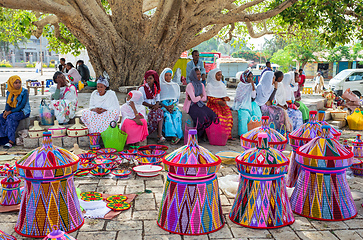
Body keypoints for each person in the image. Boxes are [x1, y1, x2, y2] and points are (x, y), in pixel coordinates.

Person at [183, 68, 217, 139]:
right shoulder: (190, 85)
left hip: (200, 105)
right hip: (192, 106)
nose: (199, 76)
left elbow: (204, 98)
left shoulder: (201, 85)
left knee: (212, 114)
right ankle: (197, 135)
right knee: (202, 116)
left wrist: (197, 97)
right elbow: (194, 100)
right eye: (197, 74)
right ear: (193, 75)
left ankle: (204, 133)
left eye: (200, 74)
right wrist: (199, 96)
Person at [257, 71, 292, 135]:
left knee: (281, 111)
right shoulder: (260, 86)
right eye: (273, 78)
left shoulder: (270, 86)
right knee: (277, 112)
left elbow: (272, 100)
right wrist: (275, 88)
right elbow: (268, 99)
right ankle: (271, 130)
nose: (274, 79)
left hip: (268, 105)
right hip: (261, 106)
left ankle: (280, 130)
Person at [0, 76, 31, 148]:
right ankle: (3, 139)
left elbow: (22, 106)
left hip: (23, 112)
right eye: (16, 83)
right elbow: (8, 104)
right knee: (1, 117)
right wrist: (5, 112)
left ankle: (11, 141)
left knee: (11, 117)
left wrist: (10, 112)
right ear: (11, 84)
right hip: (12, 111)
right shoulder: (9, 92)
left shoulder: (24, 92)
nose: (18, 84)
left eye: (19, 82)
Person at [139, 70, 165, 143]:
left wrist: (156, 105)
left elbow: (157, 99)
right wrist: (152, 106)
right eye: (147, 78)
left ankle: (159, 135)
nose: (148, 80)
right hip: (145, 107)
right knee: (153, 114)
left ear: (154, 79)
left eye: (150, 78)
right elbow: (141, 101)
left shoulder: (156, 88)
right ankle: (147, 135)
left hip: (154, 107)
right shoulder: (142, 89)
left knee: (160, 112)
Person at [206, 68, 233, 139]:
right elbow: (209, 98)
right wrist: (218, 101)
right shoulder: (210, 85)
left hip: (222, 104)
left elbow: (223, 95)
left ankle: (226, 135)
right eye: (218, 75)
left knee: (229, 116)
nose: (220, 77)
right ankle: (218, 135)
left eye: (221, 75)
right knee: (219, 117)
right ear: (213, 76)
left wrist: (225, 98)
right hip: (213, 104)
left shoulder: (222, 84)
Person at [233, 70, 262, 136]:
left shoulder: (253, 85)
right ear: (245, 77)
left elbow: (253, 97)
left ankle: (256, 134)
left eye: (251, 77)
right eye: (249, 77)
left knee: (257, 116)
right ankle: (243, 135)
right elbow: (238, 98)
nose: (250, 78)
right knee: (244, 116)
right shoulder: (241, 85)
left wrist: (252, 86)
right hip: (242, 105)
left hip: (250, 104)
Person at [159, 68, 183, 145]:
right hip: (163, 105)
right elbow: (157, 100)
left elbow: (176, 99)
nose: (168, 77)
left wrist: (172, 106)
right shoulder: (160, 86)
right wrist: (166, 107)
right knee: (167, 115)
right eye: (166, 75)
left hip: (172, 105)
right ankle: (173, 136)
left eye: (170, 75)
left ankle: (178, 135)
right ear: (163, 76)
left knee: (177, 114)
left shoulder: (175, 85)